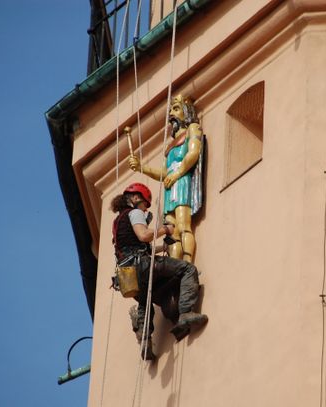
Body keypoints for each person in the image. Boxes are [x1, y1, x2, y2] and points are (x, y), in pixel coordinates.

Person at [111, 182, 208, 361]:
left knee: (144, 300)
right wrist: (166, 229)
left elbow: (136, 245)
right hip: (143, 266)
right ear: (135, 198)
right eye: (144, 205)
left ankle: (145, 340)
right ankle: (186, 312)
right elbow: (144, 235)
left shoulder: (118, 222)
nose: (145, 210)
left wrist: (163, 247)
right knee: (188, 269)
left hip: (128, 276)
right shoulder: (134, 213)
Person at [129, 94, 204, 262]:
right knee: (172, 231)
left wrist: (177, 174)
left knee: (184, 226)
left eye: (176, 108)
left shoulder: (192, 128)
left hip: (181, 182)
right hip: (170, 186)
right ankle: (175, 264)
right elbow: (164, 173)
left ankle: (187, 262)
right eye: (170, 109)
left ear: (187, 111)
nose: (171, 113)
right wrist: (142, 167)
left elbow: (193, 153)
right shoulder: (170, 145)